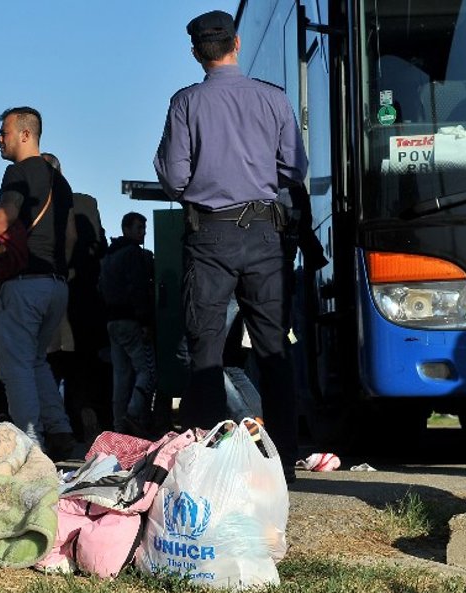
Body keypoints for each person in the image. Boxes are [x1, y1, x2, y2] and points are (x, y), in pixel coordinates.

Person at [154, 11, 308, 481]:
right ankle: (284, 461)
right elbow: (293, 170)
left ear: (197, 52)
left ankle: (211, 459)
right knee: (273, 349)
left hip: (210, 234)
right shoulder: (273, 99)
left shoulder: (185, 104)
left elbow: (175, 178)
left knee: (206, 349)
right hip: (265, 233)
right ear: (236, 45)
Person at [0, 106, 77, 459]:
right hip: (56, 285)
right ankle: (59, 431)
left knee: (15, 366)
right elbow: (70, 235)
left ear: (25, 135)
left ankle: (30, 446)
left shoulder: (18, 171)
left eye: (4, 132)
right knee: (35, 361)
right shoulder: (60, 182)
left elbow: (6, 213)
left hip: (24, 284)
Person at [42, 152, 111, 444]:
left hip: (49, 304)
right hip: (83, 308)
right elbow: (100, 249)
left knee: (44, 374)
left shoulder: (33, 210)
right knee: (82, 378)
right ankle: (84, 431)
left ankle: (53, 435)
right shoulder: (85, 203)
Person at [99, 212, 156, 436]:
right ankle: (133, 415)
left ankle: (119, 426)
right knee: (148, 372)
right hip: (132, 321)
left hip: (113, 322)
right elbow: (138, 290)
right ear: (127, 229)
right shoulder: (133, 254)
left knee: (121, 377)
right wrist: (145, 321)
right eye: (139, 228)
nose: (143, 232)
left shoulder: (109, 256)